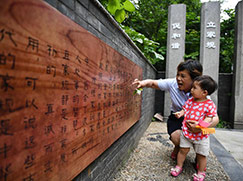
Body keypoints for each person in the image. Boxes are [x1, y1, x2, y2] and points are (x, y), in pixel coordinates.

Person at [132, 60, 219, 161]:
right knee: (178, 138)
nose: (178, 79)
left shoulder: (204, 95)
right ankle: (178, 147)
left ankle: (198, 156)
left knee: (200, 142)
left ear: (194, 79)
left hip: (197, 122)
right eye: (178, 75)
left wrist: (200, 127)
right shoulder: (173, 83)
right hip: (177, 118)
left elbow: (215, 119)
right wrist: (142, 83)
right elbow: (152, 83)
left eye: (183, 76)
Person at [170, 75, 218, 181]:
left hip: (201, 135)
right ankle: (178, 166)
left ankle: (201, 172)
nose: (191, 90)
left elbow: (209, 118)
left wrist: (199, 125)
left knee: (201, 155)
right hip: (187, 132)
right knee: (183, 150)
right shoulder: (191, 100)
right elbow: (185, 109)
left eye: (194, 88)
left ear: (204, 92)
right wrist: (180, 113)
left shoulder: (209, 105)